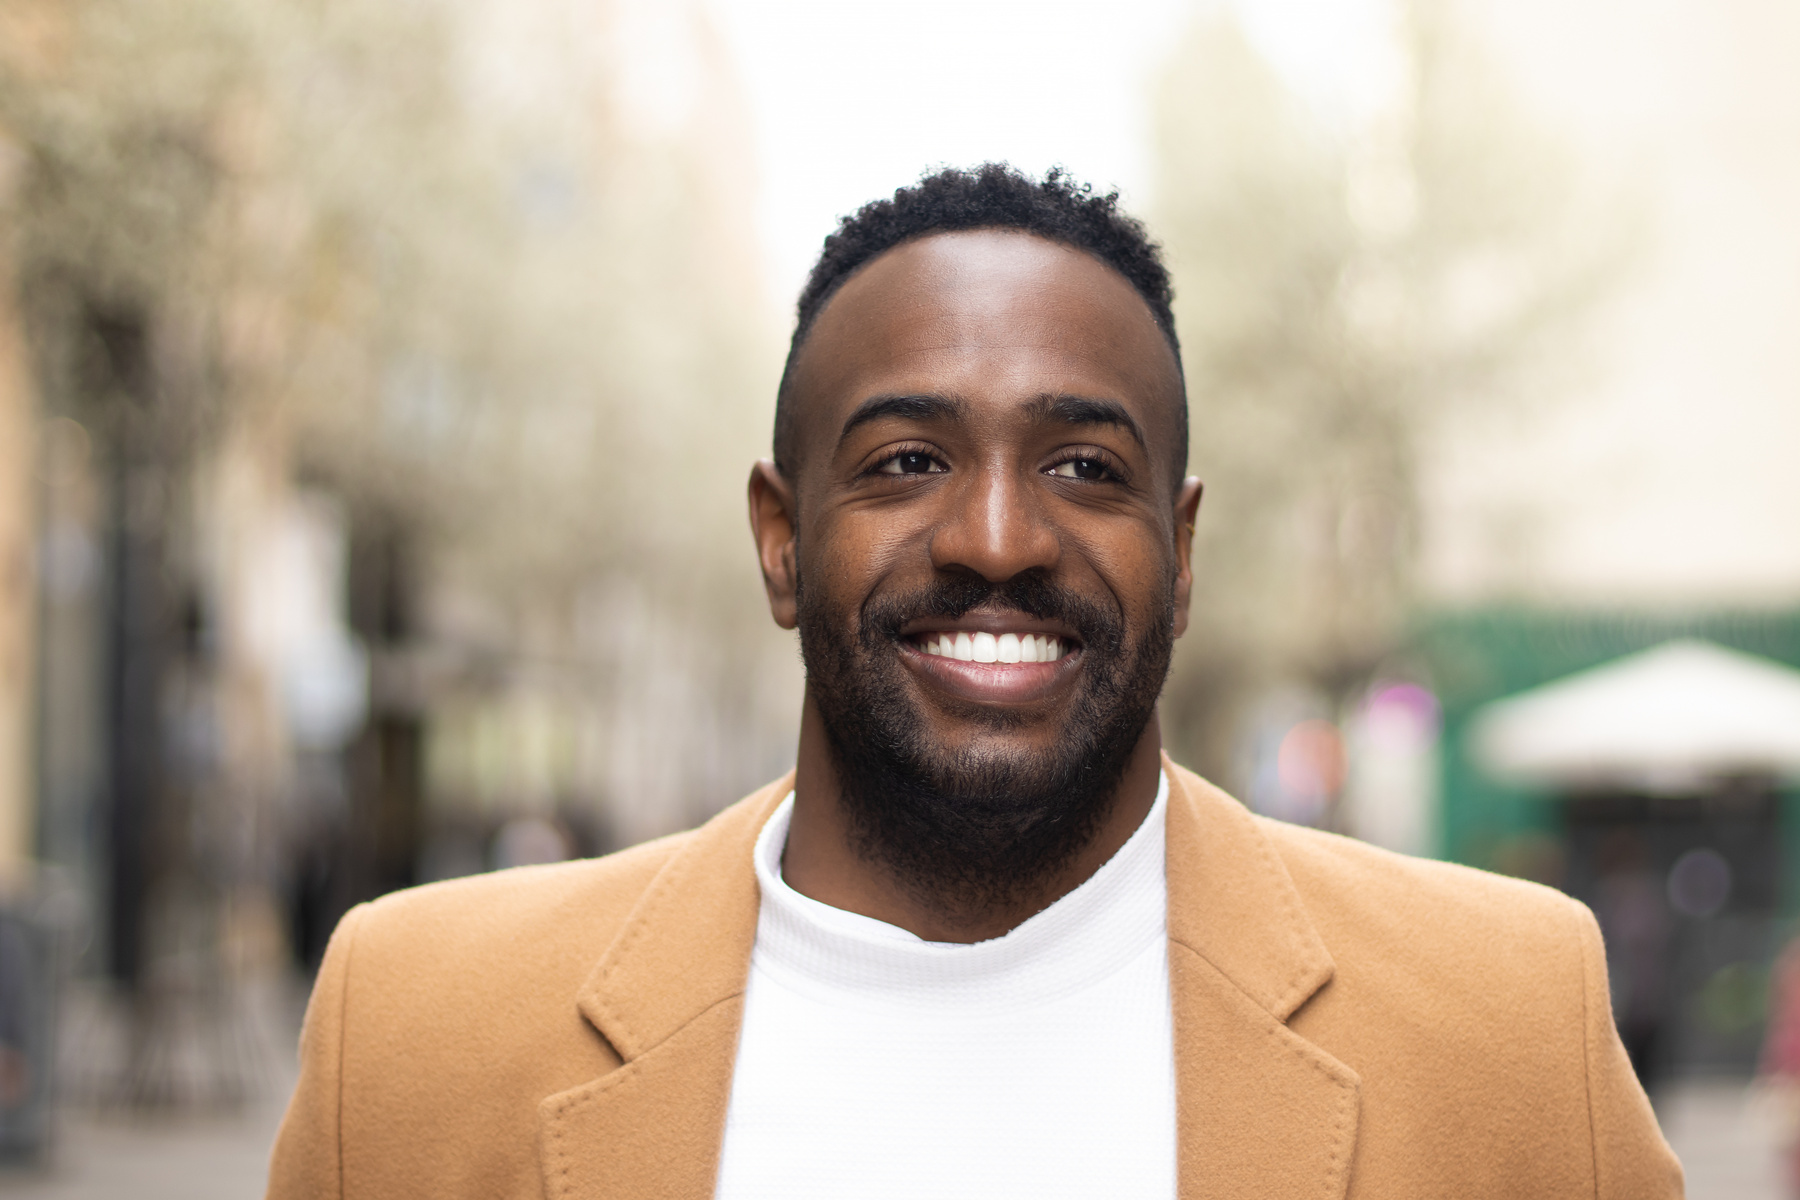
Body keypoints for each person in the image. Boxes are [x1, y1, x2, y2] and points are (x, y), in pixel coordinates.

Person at [266, 165, 1682, 1199]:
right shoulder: (411, 1038)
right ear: (779, 538)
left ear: (1181, 555)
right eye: (904, 462)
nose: (998, 538)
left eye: (1084, 468)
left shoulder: (1507, 1030)